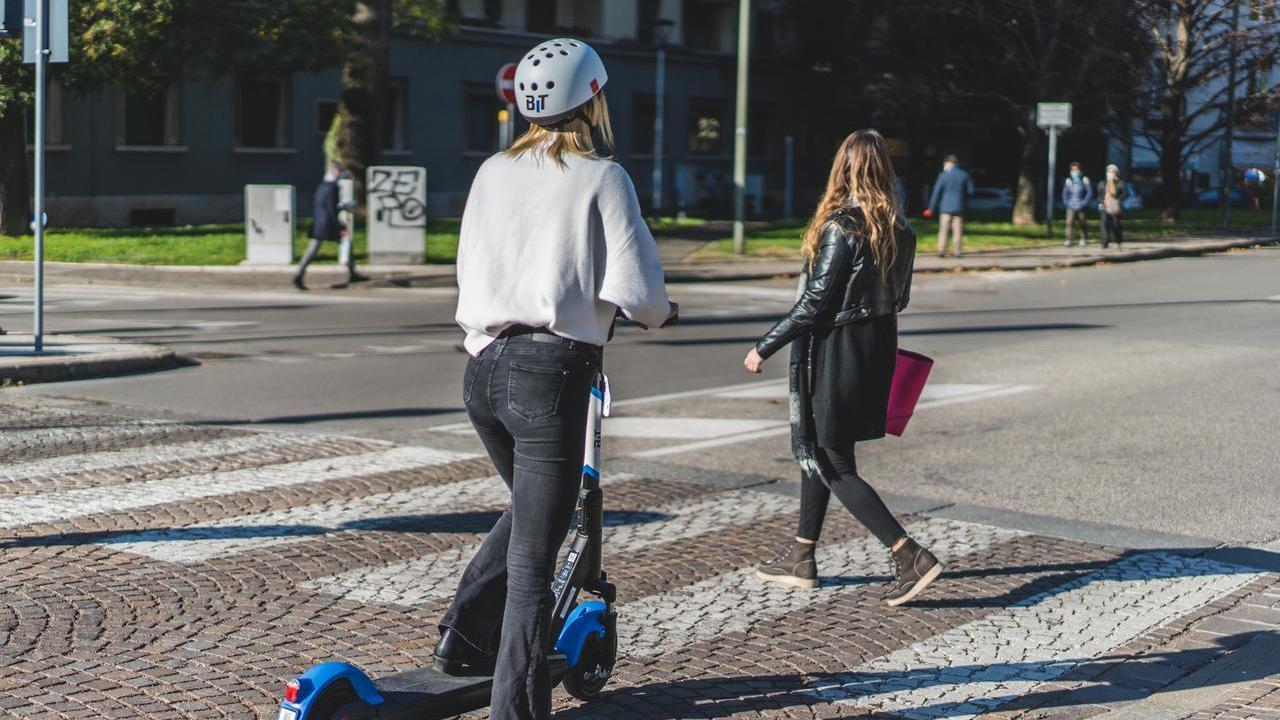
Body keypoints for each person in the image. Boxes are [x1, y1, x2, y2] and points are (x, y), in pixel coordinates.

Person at [437, 38, 677, 720]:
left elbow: (469, 268)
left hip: (482, 371)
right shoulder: (602, 176)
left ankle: (461, 639)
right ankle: (516, 713)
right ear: (594, 99)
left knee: (532, 517)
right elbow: (640, 292)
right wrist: (660, 314)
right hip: (550, 378)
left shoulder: (491, 172)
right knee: (534, 570)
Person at [744, 130, 943, 607]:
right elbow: (900, 298)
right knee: (823, 449)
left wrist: (763, 347)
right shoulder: (901, 229)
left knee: (832, 461)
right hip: (874, 350)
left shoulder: (842, 226)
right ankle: (801, 556)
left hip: (835, 353)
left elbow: (814, 303)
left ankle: (908, 554)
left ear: (844, 170)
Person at [293, 163, 363, 290]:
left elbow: (323, 206)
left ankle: (299, 274)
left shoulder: (322, 186)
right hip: (328, 224)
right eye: (340, 171)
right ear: (335, 172)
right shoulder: (333, 187)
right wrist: (340, 228)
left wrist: (342, 207)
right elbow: (331, 209)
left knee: (313, 250)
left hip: (319, 223)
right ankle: (352, 273)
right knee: (345, 242)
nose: (342, 174)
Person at [926, 154, 973, 259]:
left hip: (945, 208)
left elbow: (936, 193)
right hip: (959, 207)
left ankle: (941, 250)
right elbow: (970, 191)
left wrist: (931, 208)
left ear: (948, 163)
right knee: (958, 230)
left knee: (943, 230)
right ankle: (957, 252)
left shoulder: (943, 176)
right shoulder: (964, 175)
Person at [1062, 162, 1093, 248]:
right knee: (1069, 222)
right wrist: (1066, 202)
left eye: (1076, 170)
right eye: (1072, 170)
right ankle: (1069, 239)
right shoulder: (1068, 180)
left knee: (1082, 222)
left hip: (1081, 204)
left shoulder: (1084, 179)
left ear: (1080, 170)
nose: (1074, 172)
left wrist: (1084, 202)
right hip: (1070, 205)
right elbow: (1065, 193)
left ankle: (1083, 239)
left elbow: (1089, 192)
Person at [1097, 164, 1128, 248]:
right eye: (1108, 172)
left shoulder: (1120, 183)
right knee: (1104, 223)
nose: (1110, 173)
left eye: (1112, 172)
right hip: (1105, 205)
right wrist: (1101, 203)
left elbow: (1125, 194)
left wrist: (1118, 201)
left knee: (1115, 224)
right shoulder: (1102, 182)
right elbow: (1099, 195)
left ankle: (1118, 240)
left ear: (1116, 173)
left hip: (1115, 206)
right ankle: (1105, 241)